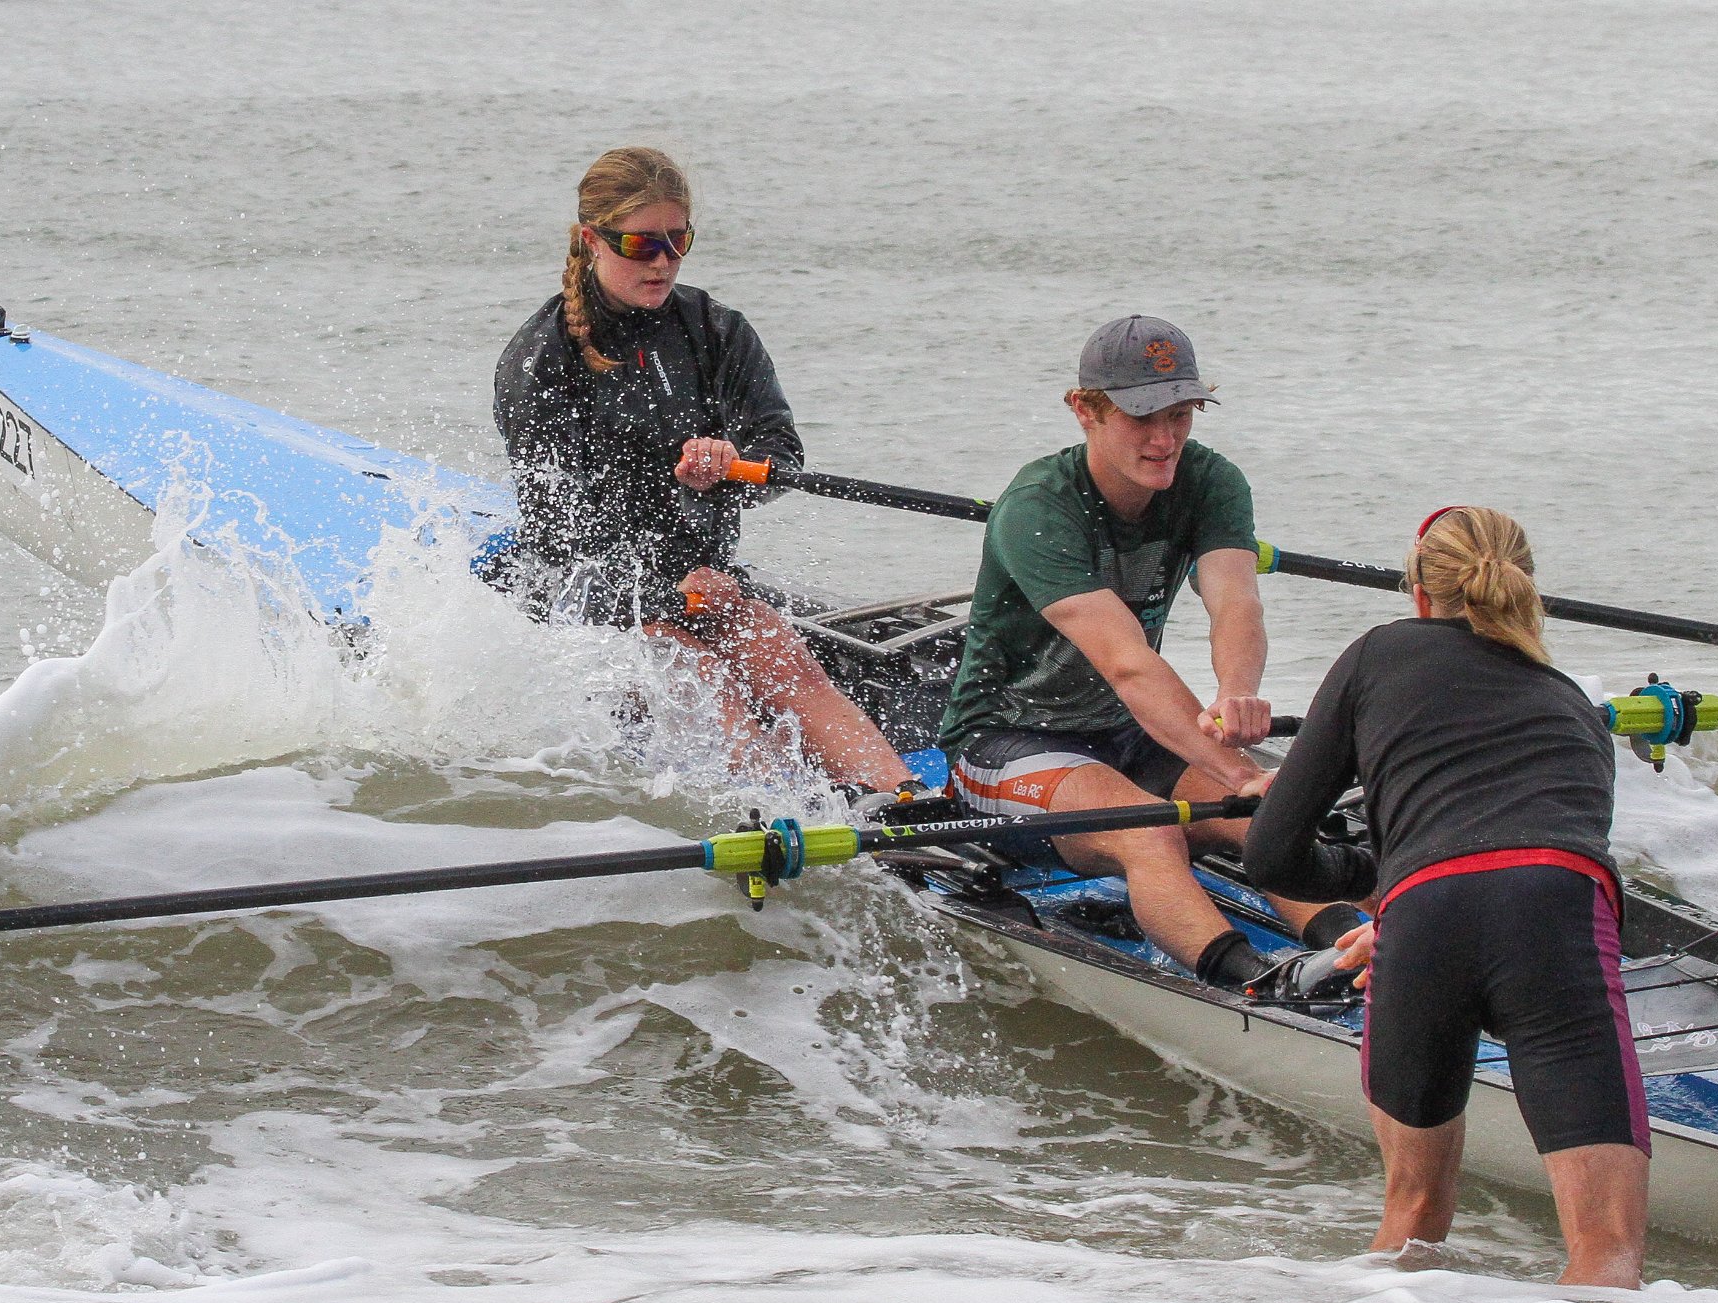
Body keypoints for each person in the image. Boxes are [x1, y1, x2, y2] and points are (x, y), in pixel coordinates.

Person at [1242, 506, 1647, 1288]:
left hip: (1423, 920)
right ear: (1530, 591)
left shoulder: (1378, 653)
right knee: (1606, 1253)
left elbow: (1271, 856)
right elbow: (1518, 843)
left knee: (1412, 1226)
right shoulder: (1574, 709)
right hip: (1554, 912)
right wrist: (1398, 874)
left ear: (1418, 594)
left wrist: (1383, 881)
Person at [491, 146, 921, 802]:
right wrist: (673, 600)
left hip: (705, 584)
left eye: (678, 240)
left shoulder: (715, 330)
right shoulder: (540, 360)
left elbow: (782, 459)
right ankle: (784, 811)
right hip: (588, 605)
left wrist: (735, 472)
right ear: (591, 239)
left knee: (781, 653)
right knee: (698, 671)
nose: (663, 260)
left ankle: (909, 803)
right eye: (642, 244)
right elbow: (559, 542)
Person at [936, 316, 1357, 986]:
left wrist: (1235, 693)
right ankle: (1258, 984)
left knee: (1268, 824)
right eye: (1142, 419)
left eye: (1181, 415)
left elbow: (1235, 600)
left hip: (1128, 736)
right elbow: (1128, 664)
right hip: (1006, 743)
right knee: (1153, 832)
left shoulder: (1211, 481)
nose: (1166, 440)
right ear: (1084, 411)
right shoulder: (1037, 506)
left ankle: (1358, 951)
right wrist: (1234, 769)